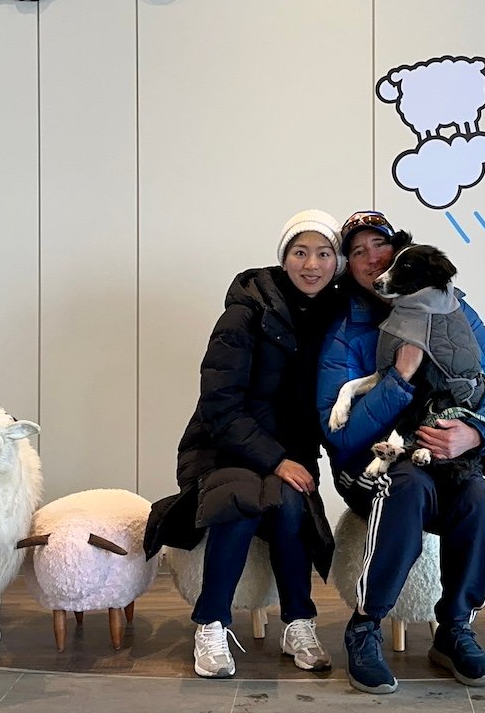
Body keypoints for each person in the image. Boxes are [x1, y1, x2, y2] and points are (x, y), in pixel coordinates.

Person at [317, 210, 485, 694]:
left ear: (401, 251)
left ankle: (454, 629)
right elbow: (339, 439)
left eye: (379, 246)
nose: (372, 258)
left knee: (475, 497)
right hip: (375, 467)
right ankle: (365, 627)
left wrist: (475, 435)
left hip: (448, 459)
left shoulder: (455, 311)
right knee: (404, 486)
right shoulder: (343, 332)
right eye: (358, 251)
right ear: (348, 265)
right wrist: (400, 379)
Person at [144, 210, 348, 679]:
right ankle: (211, 625)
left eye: (323, 253)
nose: (311, 264)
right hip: (220, 448)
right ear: (284, 257)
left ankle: (299, 623)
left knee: (292, 507)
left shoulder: (334, 317)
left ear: (335, 262)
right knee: (241, 500)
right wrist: (275, 460)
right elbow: (219, 404)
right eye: (300, 252)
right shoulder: (245, 309)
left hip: (286, 456)